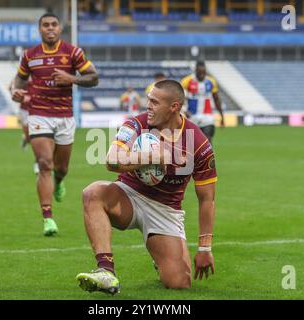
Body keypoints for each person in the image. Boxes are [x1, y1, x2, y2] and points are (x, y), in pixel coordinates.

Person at [76, 80, 217, 295]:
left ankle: (159, 256)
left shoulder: (198, 143)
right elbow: (111, 160)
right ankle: (106, 271)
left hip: (165, 210)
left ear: (174, 107)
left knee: (180, 282)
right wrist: (151, 156)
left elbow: (207, 199)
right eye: (148, 100)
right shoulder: (135, 124)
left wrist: (205, 248)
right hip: (129, 196)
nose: (148, 105)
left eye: (154, 102)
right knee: (93, 193)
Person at [11, 13, 98, 236]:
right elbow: (20, 78)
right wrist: (16, 91)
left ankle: (59, 182)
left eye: (54, 24)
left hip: (65, 117)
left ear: (59, 29)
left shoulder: (73, 52)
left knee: (61, 168)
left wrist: (72, 79)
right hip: (39, 114)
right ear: (39, 29)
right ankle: (48, 218)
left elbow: (93, 77)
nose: (50, 28)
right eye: (45, 25)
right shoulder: (29, 55)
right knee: (44, 163)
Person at [181, 61, 224, 143]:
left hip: (207, 117)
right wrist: (184, 110)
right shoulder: (186, 81)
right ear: (195, 70)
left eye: (203, 72)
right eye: (199, 72)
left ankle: (207, 155)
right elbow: (179, 98)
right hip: (191, 117)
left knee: (207, 142)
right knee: (191, 145)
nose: (202, 75)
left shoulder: (211, 82)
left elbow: (216, 99)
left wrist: (222, 116)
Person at [9, 78, 39, 174]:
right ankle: (25, 139)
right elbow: (11, 86)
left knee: (37, 137)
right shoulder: (23, 74)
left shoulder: (39, 72)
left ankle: (38, 161)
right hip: (24, 110)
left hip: (37, 109)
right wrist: (17, 93)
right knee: (29, 136)